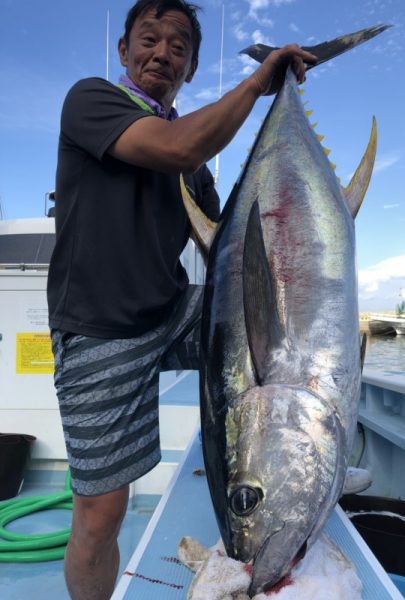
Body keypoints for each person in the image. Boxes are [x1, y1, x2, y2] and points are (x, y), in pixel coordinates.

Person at [47, 1, 316, 598]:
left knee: (281, 323)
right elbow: (175, 148)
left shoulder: (195, 172)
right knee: (100, 513)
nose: (161, 53)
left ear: (190, 68)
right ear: (124, 51)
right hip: (99, 328)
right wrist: (256, 84)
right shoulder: (92, 102)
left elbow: (240, 243)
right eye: (149, 39)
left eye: (178, 48)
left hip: (171, 312)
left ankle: (311, 443)